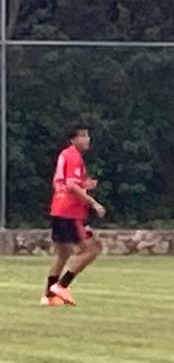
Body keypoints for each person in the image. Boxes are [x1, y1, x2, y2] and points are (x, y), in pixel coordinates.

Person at [43, 123, 106, 306]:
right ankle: (61, 286)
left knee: (63, 254)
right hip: (70, 212)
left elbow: (68, 182)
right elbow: (71, 184)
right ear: (73, 139)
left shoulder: (66, 155)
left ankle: (48, 296)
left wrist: (85, 185)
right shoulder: (73, 156)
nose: (87, 139)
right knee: (93, 249)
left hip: (58, 209)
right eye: (83, 135)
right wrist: (93, 203)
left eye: (87, 135)